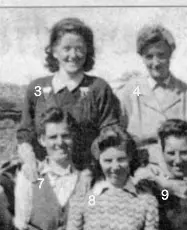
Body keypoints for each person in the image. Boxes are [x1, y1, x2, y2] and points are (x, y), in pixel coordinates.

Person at [17, 17, 121, 185]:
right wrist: (29, 160)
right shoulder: (37, 88)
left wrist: (91, 171)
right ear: (54, 51)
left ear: (88, 51)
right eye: (66, 48)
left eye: (79, 49)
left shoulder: (98, 88)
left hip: (87, 174)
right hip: (43, 173)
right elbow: (25, 134)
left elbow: (109, 136)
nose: (73, 55)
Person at [117, 24, 187, 168]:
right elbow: (117, 137)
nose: (155, 63)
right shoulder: (131, 91)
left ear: (170, 55)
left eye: (161, 55)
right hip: (140, 169)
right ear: (141, 57)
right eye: (149, 57)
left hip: (181, 170)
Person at [14, 107, 80, 230]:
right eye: (53, 137)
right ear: (42, 140)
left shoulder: (84, 180)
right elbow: (20, 224)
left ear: (73, 137)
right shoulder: (30, 177)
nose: (60, 142)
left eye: (65, 135)